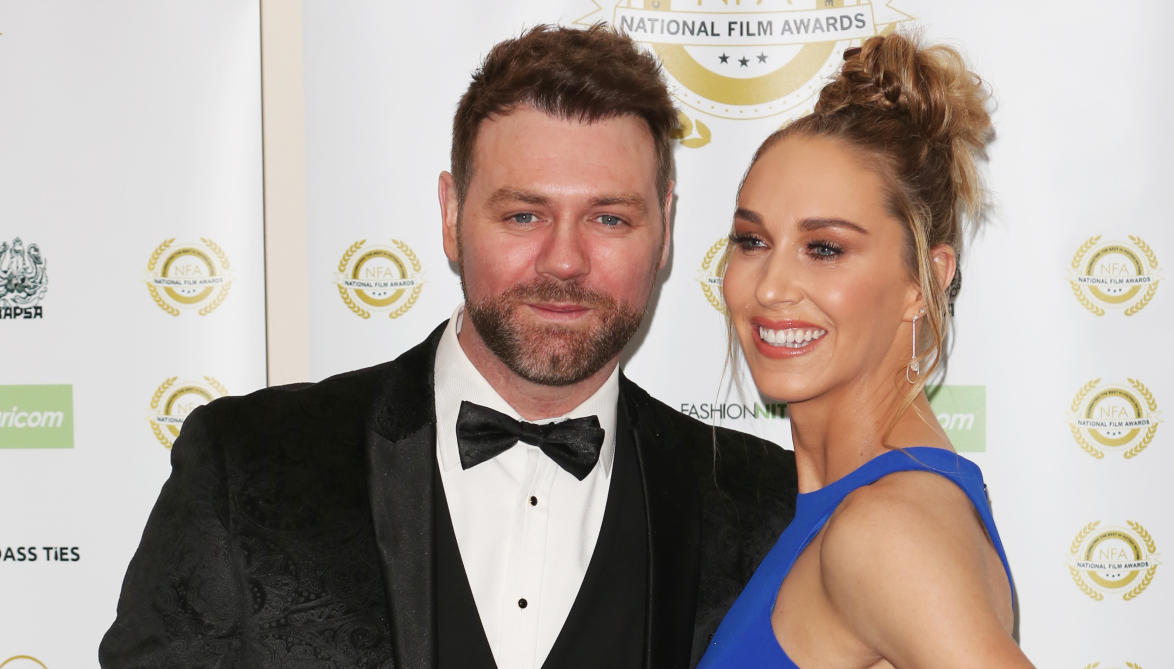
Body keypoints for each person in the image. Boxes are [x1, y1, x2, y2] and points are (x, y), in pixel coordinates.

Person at [99, 25, 794, 669]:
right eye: (524, 214)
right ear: (452, 215)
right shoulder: (248, 463)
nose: (564, 260)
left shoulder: (764, 508)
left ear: (666, 230)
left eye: (608, 218)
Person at [697, 34, 1035, 668]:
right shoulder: (851, 509)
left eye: (825, 248)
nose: (770, 286)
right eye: (752, 241)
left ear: (925, 281)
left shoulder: (885, 530)